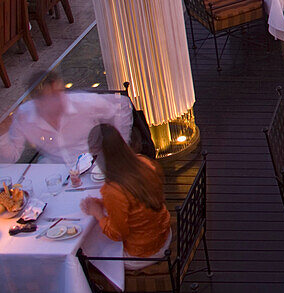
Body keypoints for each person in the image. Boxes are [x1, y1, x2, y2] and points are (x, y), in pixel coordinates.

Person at [79, 124, 171, 270]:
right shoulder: (143, 161)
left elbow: (117, 234)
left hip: (143, 253)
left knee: (87, 253)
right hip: (164, 235)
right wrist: (103, 203)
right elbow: (136, 200)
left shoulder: (114, 189)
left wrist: (98, 214)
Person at [0, 71, 132, 165]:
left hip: (93, 166)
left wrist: (120, 148)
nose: (61, 99)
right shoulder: (24, 116)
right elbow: (11, 158)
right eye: (52, 97)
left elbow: (122, 104)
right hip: (54, 170)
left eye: (60, 93)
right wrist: (2, 133)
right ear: (37, 102)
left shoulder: (84, 103)